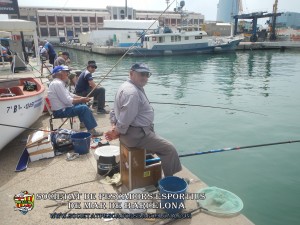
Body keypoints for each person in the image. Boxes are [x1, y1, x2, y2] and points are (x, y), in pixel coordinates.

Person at [105, 63, 182, 177]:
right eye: (142, 74)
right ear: (131, 73)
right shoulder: (132, 92)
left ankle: (141, 169)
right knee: (169, 149)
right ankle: (169, 181)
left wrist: (113, 126)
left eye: (147, 75)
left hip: (134, 133)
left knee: (157, 146)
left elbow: (113, 110)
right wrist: (116, 132)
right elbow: (125, 119)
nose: (145, 78)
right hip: (137, 136)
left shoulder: (125, 86)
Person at [47, 65, 102, 136]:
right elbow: (68, 101)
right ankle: (92, 131)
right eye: (66, 72)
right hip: (60, 111)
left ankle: (83, 123)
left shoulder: (58, 83)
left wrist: (82, 98)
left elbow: (70, 94)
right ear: (60, 73)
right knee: (84, 108)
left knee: (82, 104)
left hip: (62, 108)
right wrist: (82, 99)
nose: (68, 74)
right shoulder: (58, 84)